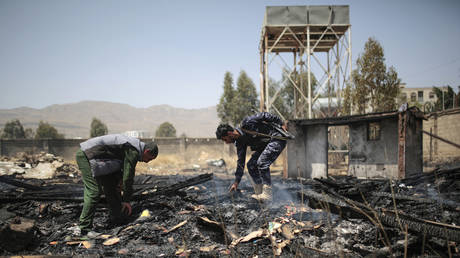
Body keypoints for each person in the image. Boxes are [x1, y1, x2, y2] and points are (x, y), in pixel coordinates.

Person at [76, 134, 158, 235]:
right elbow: (128, 176)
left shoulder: (133, 148)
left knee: (113, 187)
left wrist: (119, 180)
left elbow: (119, 162)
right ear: (147, 152)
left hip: (102, 161)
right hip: (86, 156)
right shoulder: (133, 150)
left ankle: (116, 218)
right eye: (149, 159)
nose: (147, 162)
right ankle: (84, 229)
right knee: (94, 192)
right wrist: (126, 200)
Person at [216, 112, 288, 201]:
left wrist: (282, 123)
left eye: (225, 139)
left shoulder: (247, 122)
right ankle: (260, 191)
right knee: (251, 165)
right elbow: (240, 163)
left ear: (229, 133)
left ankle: (268, 194)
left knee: (262, 162)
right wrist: (236, 182)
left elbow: (265, 115)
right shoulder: (239, 142)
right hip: (265, 146)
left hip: (277, 138)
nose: (226, 142)